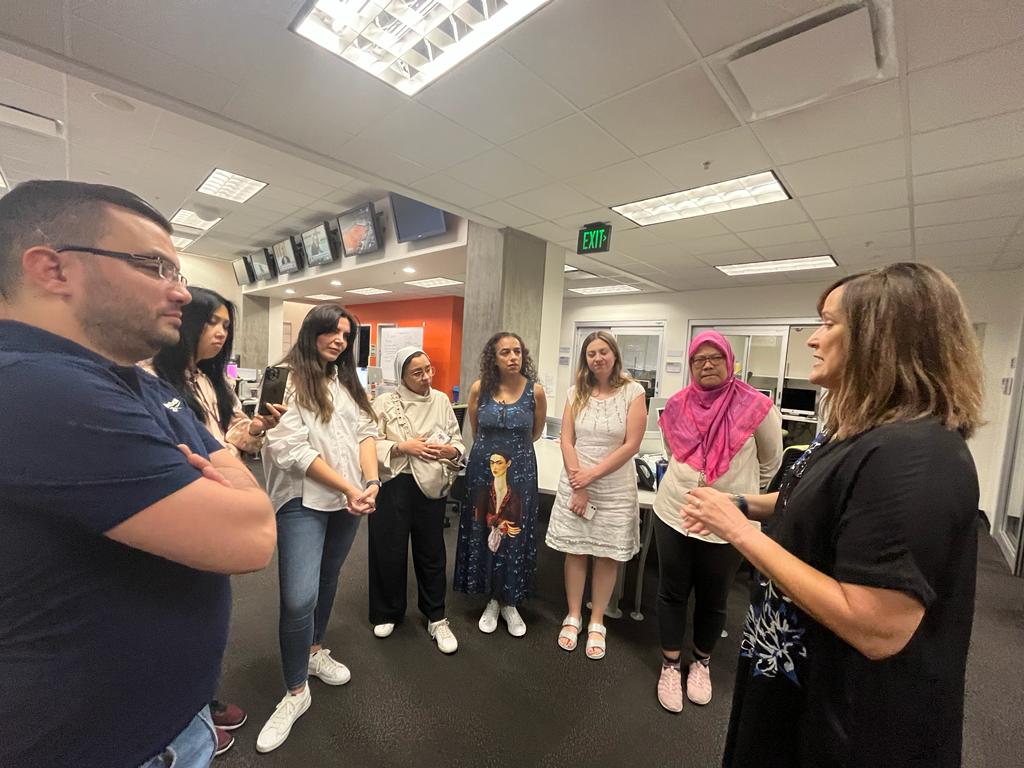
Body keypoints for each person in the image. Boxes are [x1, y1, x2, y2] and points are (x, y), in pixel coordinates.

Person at [0, 180, 276, 768]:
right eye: (155, 266)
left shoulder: (129, 378)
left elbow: (232, 478)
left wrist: (223, 476)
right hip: (101, 744)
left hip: (170, 720)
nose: (181, 292)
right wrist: (226, 481)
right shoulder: (35, 385)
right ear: (52, 269)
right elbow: (252, 534)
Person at [683, 263, 983, 768]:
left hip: (851, 727)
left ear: (879, 336)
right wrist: (741, 505)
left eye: (828, 323)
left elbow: (877, 627)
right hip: (792, 684)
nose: (813, 340)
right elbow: (809, 502)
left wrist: (737, 532)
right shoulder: (854, 434)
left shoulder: (915, 455)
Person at [146, 285, 285, 755]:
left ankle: (202, 700)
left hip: (219, 498)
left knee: (208, 612)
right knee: (175, 616)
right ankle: (184, 718)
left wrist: (259, 427)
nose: (222, 333)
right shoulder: (153, 380)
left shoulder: (209, 379)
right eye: (213, 323)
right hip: (185, 508)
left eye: (227, 325)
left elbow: (231, 436)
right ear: (187, 324)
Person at [256, 303, 379, 754]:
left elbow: (367, 431)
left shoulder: (346, 380)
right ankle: (294, 693)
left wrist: (370, 482)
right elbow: (291, 450)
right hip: (302, 502)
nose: (339, 341)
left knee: (327, 581)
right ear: (312, 332)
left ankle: (313, 652)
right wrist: (351, 487)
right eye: (332, 332)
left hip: (347, 501)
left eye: (346, 336)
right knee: (297, 597)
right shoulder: (285, 378)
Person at [655, 331, 782, 712]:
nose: (707, 364)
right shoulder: (676, 406)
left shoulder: (757, 408)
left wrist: (737, 497)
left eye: (715, 358)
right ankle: (670, 665)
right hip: (674, 512)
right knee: (672, 591)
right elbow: (671, 452)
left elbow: (771, 463)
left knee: (714, 597)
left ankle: (702, 663)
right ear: (691, 365)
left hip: (727, 520)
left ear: (730, 362)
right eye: (699, 359)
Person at [546, 331, 647, 659]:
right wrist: (580, 482)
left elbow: (631, 444)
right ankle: (573, 615)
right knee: (575, 552)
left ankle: (598, 620)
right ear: (585, 359)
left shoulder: (634, 391)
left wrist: (591, 476)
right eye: (591, 353)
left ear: (615, 355)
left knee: (605, 555)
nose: (598, 358)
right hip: (576, 481)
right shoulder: (577, 392)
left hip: (614, 487)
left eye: (603, 352)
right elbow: (566, 439)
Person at [370, 347, 465, 653]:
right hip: (393, 484)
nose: (426, 377)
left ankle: (436, 616)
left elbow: (457, 441)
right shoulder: (385, 402)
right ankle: (387, 611)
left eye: (429, 370)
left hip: (431, 484)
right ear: (402, 375)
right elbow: (367, 442)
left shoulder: (440, 400)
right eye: (418, 372)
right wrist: (402, 447)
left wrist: (450, 452)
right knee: (388, 549)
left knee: (432, 551)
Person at [454, 331, 547, 636]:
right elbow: (476, 428)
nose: (512, 357)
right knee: (486, 530)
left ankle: (510, 602)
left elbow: (534, 433)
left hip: (519, 472)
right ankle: (491, 599)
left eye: (517, 351)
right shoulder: (480, 389)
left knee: (514, 534)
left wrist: (510, 455)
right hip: (483, 472)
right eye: (505, 352)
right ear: (493, 358)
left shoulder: (536, 392)